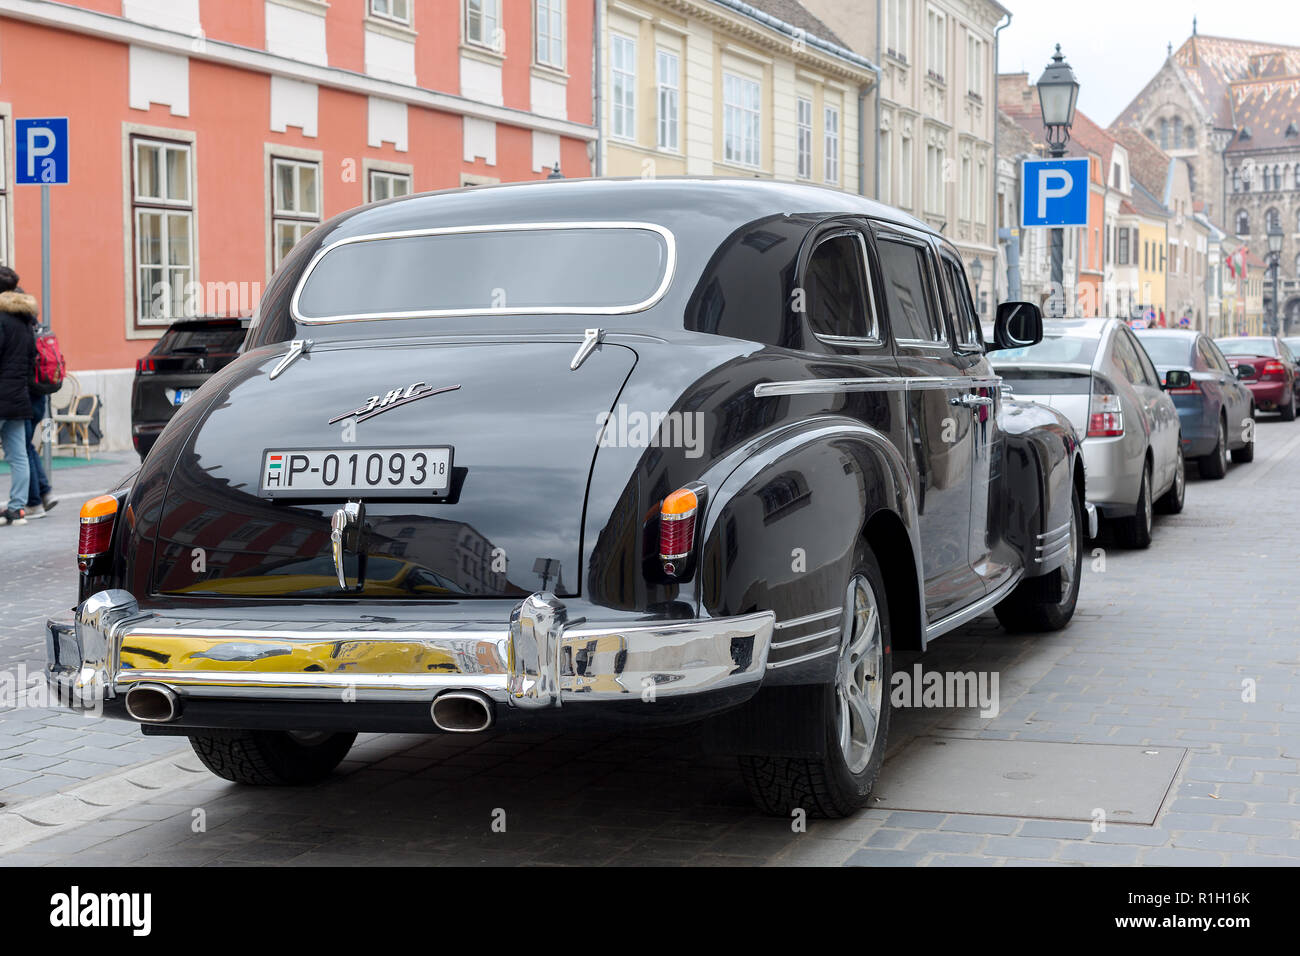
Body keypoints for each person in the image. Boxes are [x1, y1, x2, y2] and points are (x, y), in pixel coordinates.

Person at [0, 266, 35, 525]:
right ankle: (17, 508)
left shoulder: (0, 319)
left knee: (18, 454)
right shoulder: (26, 320)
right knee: (18, 454)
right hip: (19, 395)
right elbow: (32, 356)